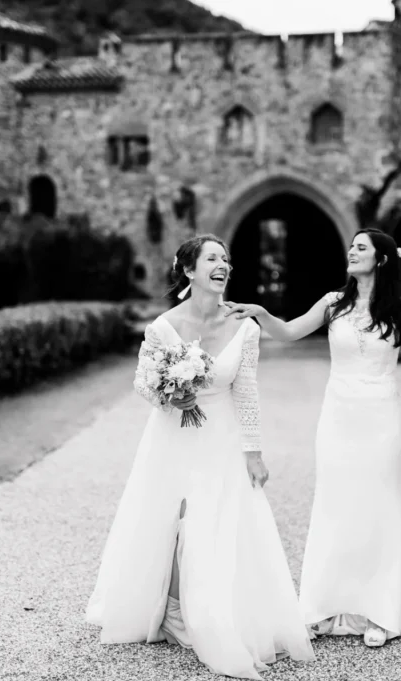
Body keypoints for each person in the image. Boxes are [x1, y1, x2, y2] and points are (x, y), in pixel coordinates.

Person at [224, 228, 401, 647]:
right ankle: (322, 608)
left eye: (361, 248)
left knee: (377, 507)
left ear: (381, 259)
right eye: (351, 247)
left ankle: (380, 612)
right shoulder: (334, 303)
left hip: (381, 418)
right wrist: (260, 311)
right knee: (334, 506)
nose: (351, 252)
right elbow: (289, 331)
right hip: (338, 416)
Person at [85, 235, 315, 680]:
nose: (222, 265)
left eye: (225, 259)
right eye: (212, 258)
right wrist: (171, 394)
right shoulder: (163, 326)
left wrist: (253, 451)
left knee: (215, 518)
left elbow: (246, 390)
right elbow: (142, 381)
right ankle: (172, 610)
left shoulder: (245, 327)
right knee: (173, 517)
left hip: (223, 435)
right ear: (189, 270)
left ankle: (210, 608)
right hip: (172, 435)